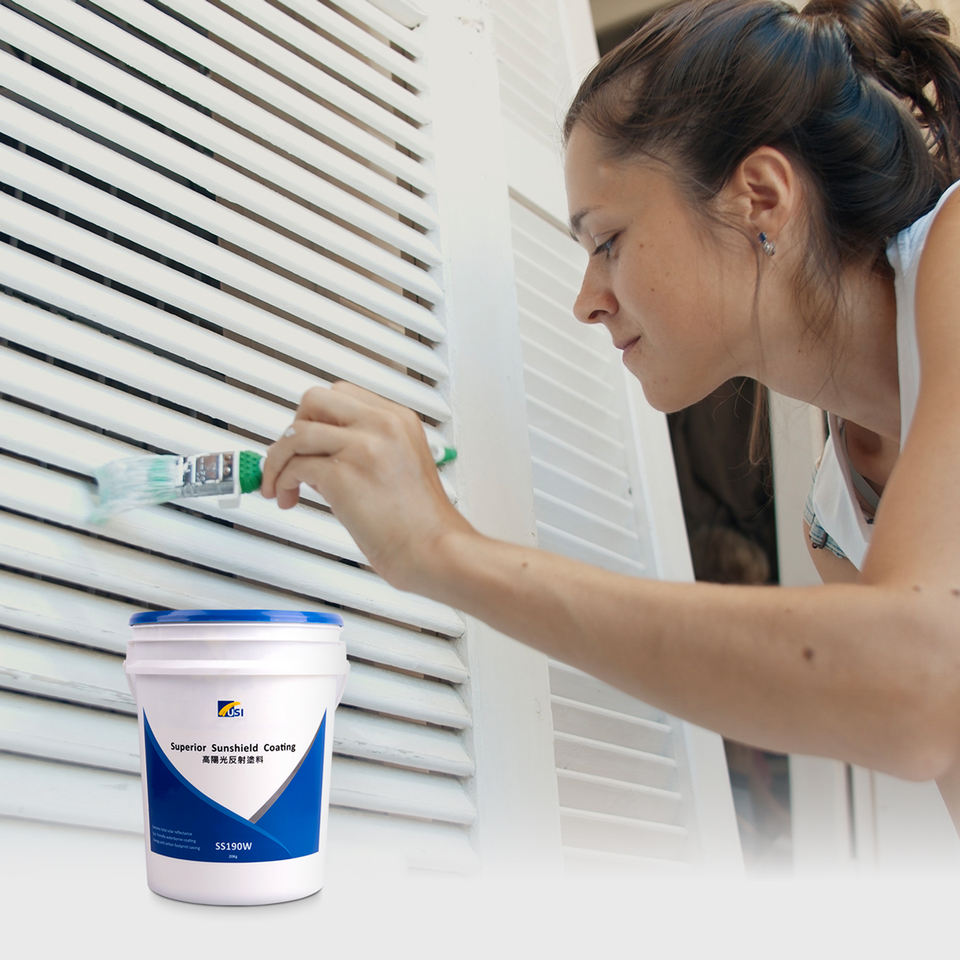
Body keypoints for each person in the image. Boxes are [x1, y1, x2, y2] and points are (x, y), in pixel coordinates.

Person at [260, 0, 960, 831]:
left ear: (760, 198)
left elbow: (917, 684)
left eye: (607, 241)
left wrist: (444, 552)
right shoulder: (838, 522)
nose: (586, 300)